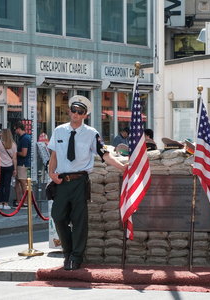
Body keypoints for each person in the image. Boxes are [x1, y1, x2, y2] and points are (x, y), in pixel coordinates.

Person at [48, 95, 127, 271]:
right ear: (69, 110)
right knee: (58, 216)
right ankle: (67, 251)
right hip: (61, 181)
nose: (75, 113)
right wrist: (51, 174)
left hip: (79, 181)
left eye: (80, 112)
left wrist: (122, 168)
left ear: (85, 115)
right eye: (73, 110)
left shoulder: (92, 133)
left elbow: (105, 155)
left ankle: (76, 257)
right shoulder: (59, 130)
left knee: (79, 220)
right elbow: (53, 156)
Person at [0, 129, 17, 209]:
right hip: (9, 166)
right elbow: (14, 158)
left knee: (0, 185)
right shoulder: (13, 145)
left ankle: (0, 203)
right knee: (7, 185)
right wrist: (15, 169)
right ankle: (6, 204)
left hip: (0, 166)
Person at [13, 121, 31, 208]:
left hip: (22, 163)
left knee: (23, 183)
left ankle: (25, 202)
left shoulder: (24, 139)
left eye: (15, 130)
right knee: (18, 182)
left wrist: (15, 153)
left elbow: (24, 153)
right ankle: (19, 201)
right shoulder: (23, 138)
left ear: (19, 129)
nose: (15, 132)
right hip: (21, 163)